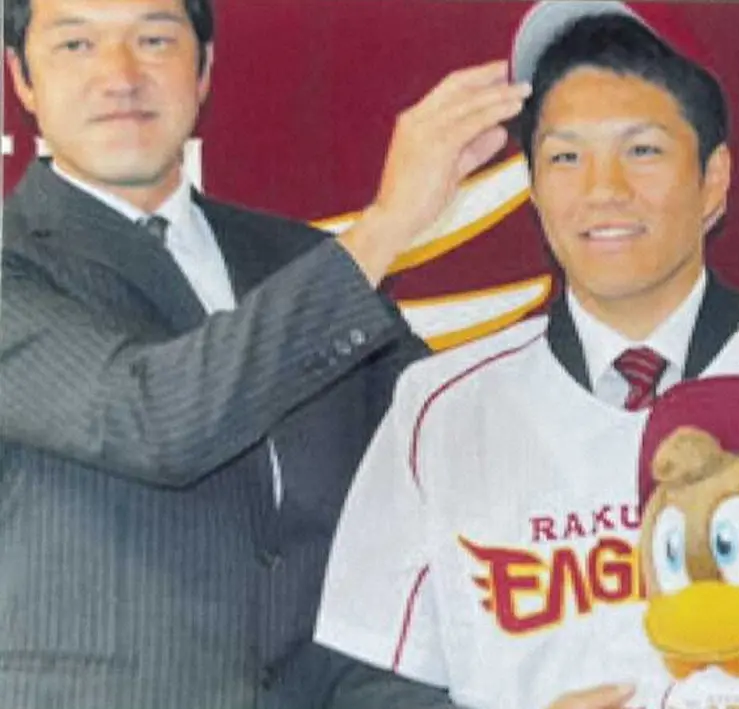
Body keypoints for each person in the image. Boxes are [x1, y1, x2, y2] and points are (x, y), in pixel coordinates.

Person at [313, 3, 739, 709]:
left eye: (642, 150)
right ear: (535, 189)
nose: (603, 189)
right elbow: (360, 684)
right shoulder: (440, 409)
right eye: (565, 157)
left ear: (713, 179)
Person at [0, 0, 531, 706]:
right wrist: (387, 225)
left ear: (204, 68)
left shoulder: (298, 259)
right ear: (22, 77)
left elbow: (443, 453)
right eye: (77, 44)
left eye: (154, 38)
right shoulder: (13, 264)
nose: (120, 76)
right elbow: (150, 417)